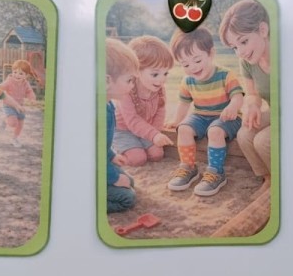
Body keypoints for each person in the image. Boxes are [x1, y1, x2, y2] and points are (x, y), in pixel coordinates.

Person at [166, 26, 244, 198]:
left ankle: (216, 172)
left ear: (211, 53)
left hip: (226, 117)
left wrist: (232, 107)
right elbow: (184, 104)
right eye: (185, 64)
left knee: (215, 131)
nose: (192, 67)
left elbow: (238, 96)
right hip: (201, 115)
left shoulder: (226, 75)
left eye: (197, 60)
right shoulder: (187, 80)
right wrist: (177, 121)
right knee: (184, 129)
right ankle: (188, 168)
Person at [218, 0, 273, 185]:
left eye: (243, 41)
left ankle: (282, 182)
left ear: (263, 30)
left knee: (263, 141)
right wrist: (253, 106)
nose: (240, 52)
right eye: (234, 47)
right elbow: (252, 94)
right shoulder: (247, 61)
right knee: (245, 134)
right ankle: (269, 179)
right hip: (276, 112)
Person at [113, 35, 174, 167]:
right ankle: (113, 153)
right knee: (138, 159)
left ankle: (139, 145)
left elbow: (160, 111)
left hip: (146, 129)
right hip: (123, 131)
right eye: (155, 74)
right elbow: (132, 120)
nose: (162, 79)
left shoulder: (159, 88)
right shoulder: (127, 90)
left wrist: (155, 132)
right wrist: (153, 135)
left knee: (157, 154)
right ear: (136, 70)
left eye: (165, 73)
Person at [104, 38, 140, 213]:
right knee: (127, 198)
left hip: (100, 163)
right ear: (106, 81)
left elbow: (101, 146)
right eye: (129, 80)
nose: (132, 86)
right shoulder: (95, 114)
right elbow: (91, 156)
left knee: (130, 181)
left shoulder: (108, 104)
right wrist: (114, 178)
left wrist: (111, 155)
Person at [0, 59, 38, 146]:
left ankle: (15, 138)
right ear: (12, 72)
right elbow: (1, 87)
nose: (17, 75)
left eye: (21, 73)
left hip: (20, 106)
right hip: (9, 105)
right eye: (15, 72)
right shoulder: (9, 81)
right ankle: (5, 119)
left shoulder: (25, 83)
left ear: (26, 75)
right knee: (13, 123)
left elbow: (29, 91)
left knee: (20, 123)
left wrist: (32, 99)